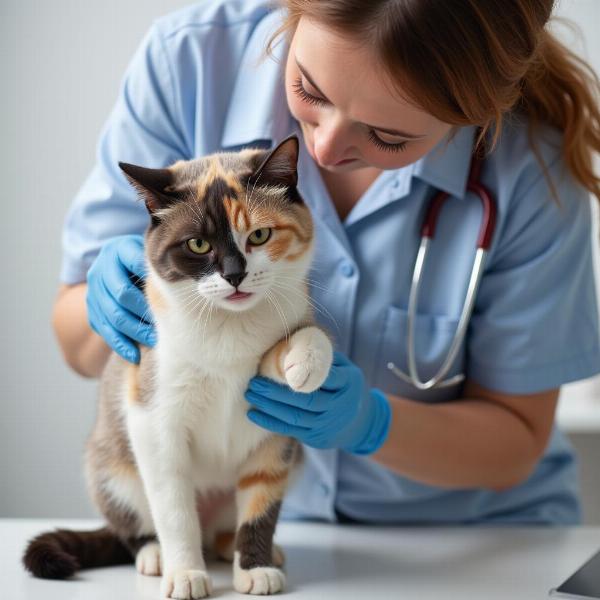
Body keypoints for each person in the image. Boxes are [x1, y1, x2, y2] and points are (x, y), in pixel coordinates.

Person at [53, 0, 600, 525]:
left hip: (478, 542)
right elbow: (77, 347)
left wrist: (371, 423)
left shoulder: (534, 173)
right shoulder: (189, 63)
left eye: (388, 136)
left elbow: (516, 445)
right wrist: (120, 298)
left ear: (474, 115)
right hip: (264, 530)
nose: (326, 150)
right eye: (307, 90)